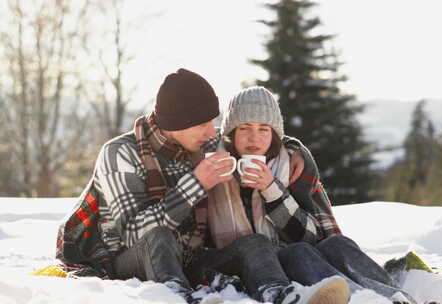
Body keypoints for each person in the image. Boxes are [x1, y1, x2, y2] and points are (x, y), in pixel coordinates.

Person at [55, 68, 347, 304]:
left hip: (193, 260)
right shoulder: (120, 153)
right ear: (175, 124)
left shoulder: (199, 142)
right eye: (203, 124)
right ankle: (180, 299)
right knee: (160, 238)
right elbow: (134, 234)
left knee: (253, 244)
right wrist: (195, 184)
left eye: (213, 122)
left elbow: (248, 135)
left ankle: (280, 295)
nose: (212, 132)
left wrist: (295, 151)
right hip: (131, 260)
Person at [205, 86, 420, 304]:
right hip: (253, 266)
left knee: (337, 244)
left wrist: (272, 190)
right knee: (298, 252)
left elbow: (313, 237)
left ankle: (397, 298)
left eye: (264, 129)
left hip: (294, 253)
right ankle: (361, 300)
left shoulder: (289, 164)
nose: (254, 138)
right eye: (244, 128)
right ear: (230, 132)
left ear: (274, 134)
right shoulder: (210, 162)